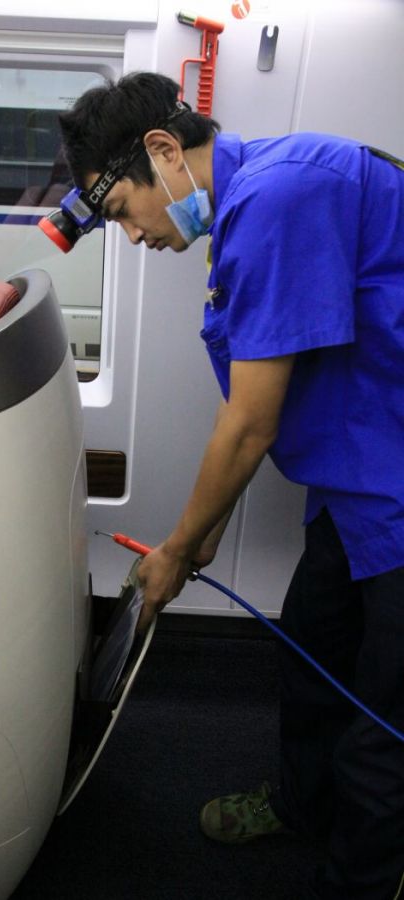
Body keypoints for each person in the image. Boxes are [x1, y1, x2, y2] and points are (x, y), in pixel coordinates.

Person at [58, 72, 404, 900]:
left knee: (383, 722)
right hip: (361, 483)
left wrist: (178, 551)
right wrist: (202, 535)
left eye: (122, 213)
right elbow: (256, 400)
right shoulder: (254, 202)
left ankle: (363, 879)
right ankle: (303, 806)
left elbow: (250, 424)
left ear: (163, 150)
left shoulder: (283, 198)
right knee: (314, 654)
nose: (133, 237)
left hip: (392, 484)